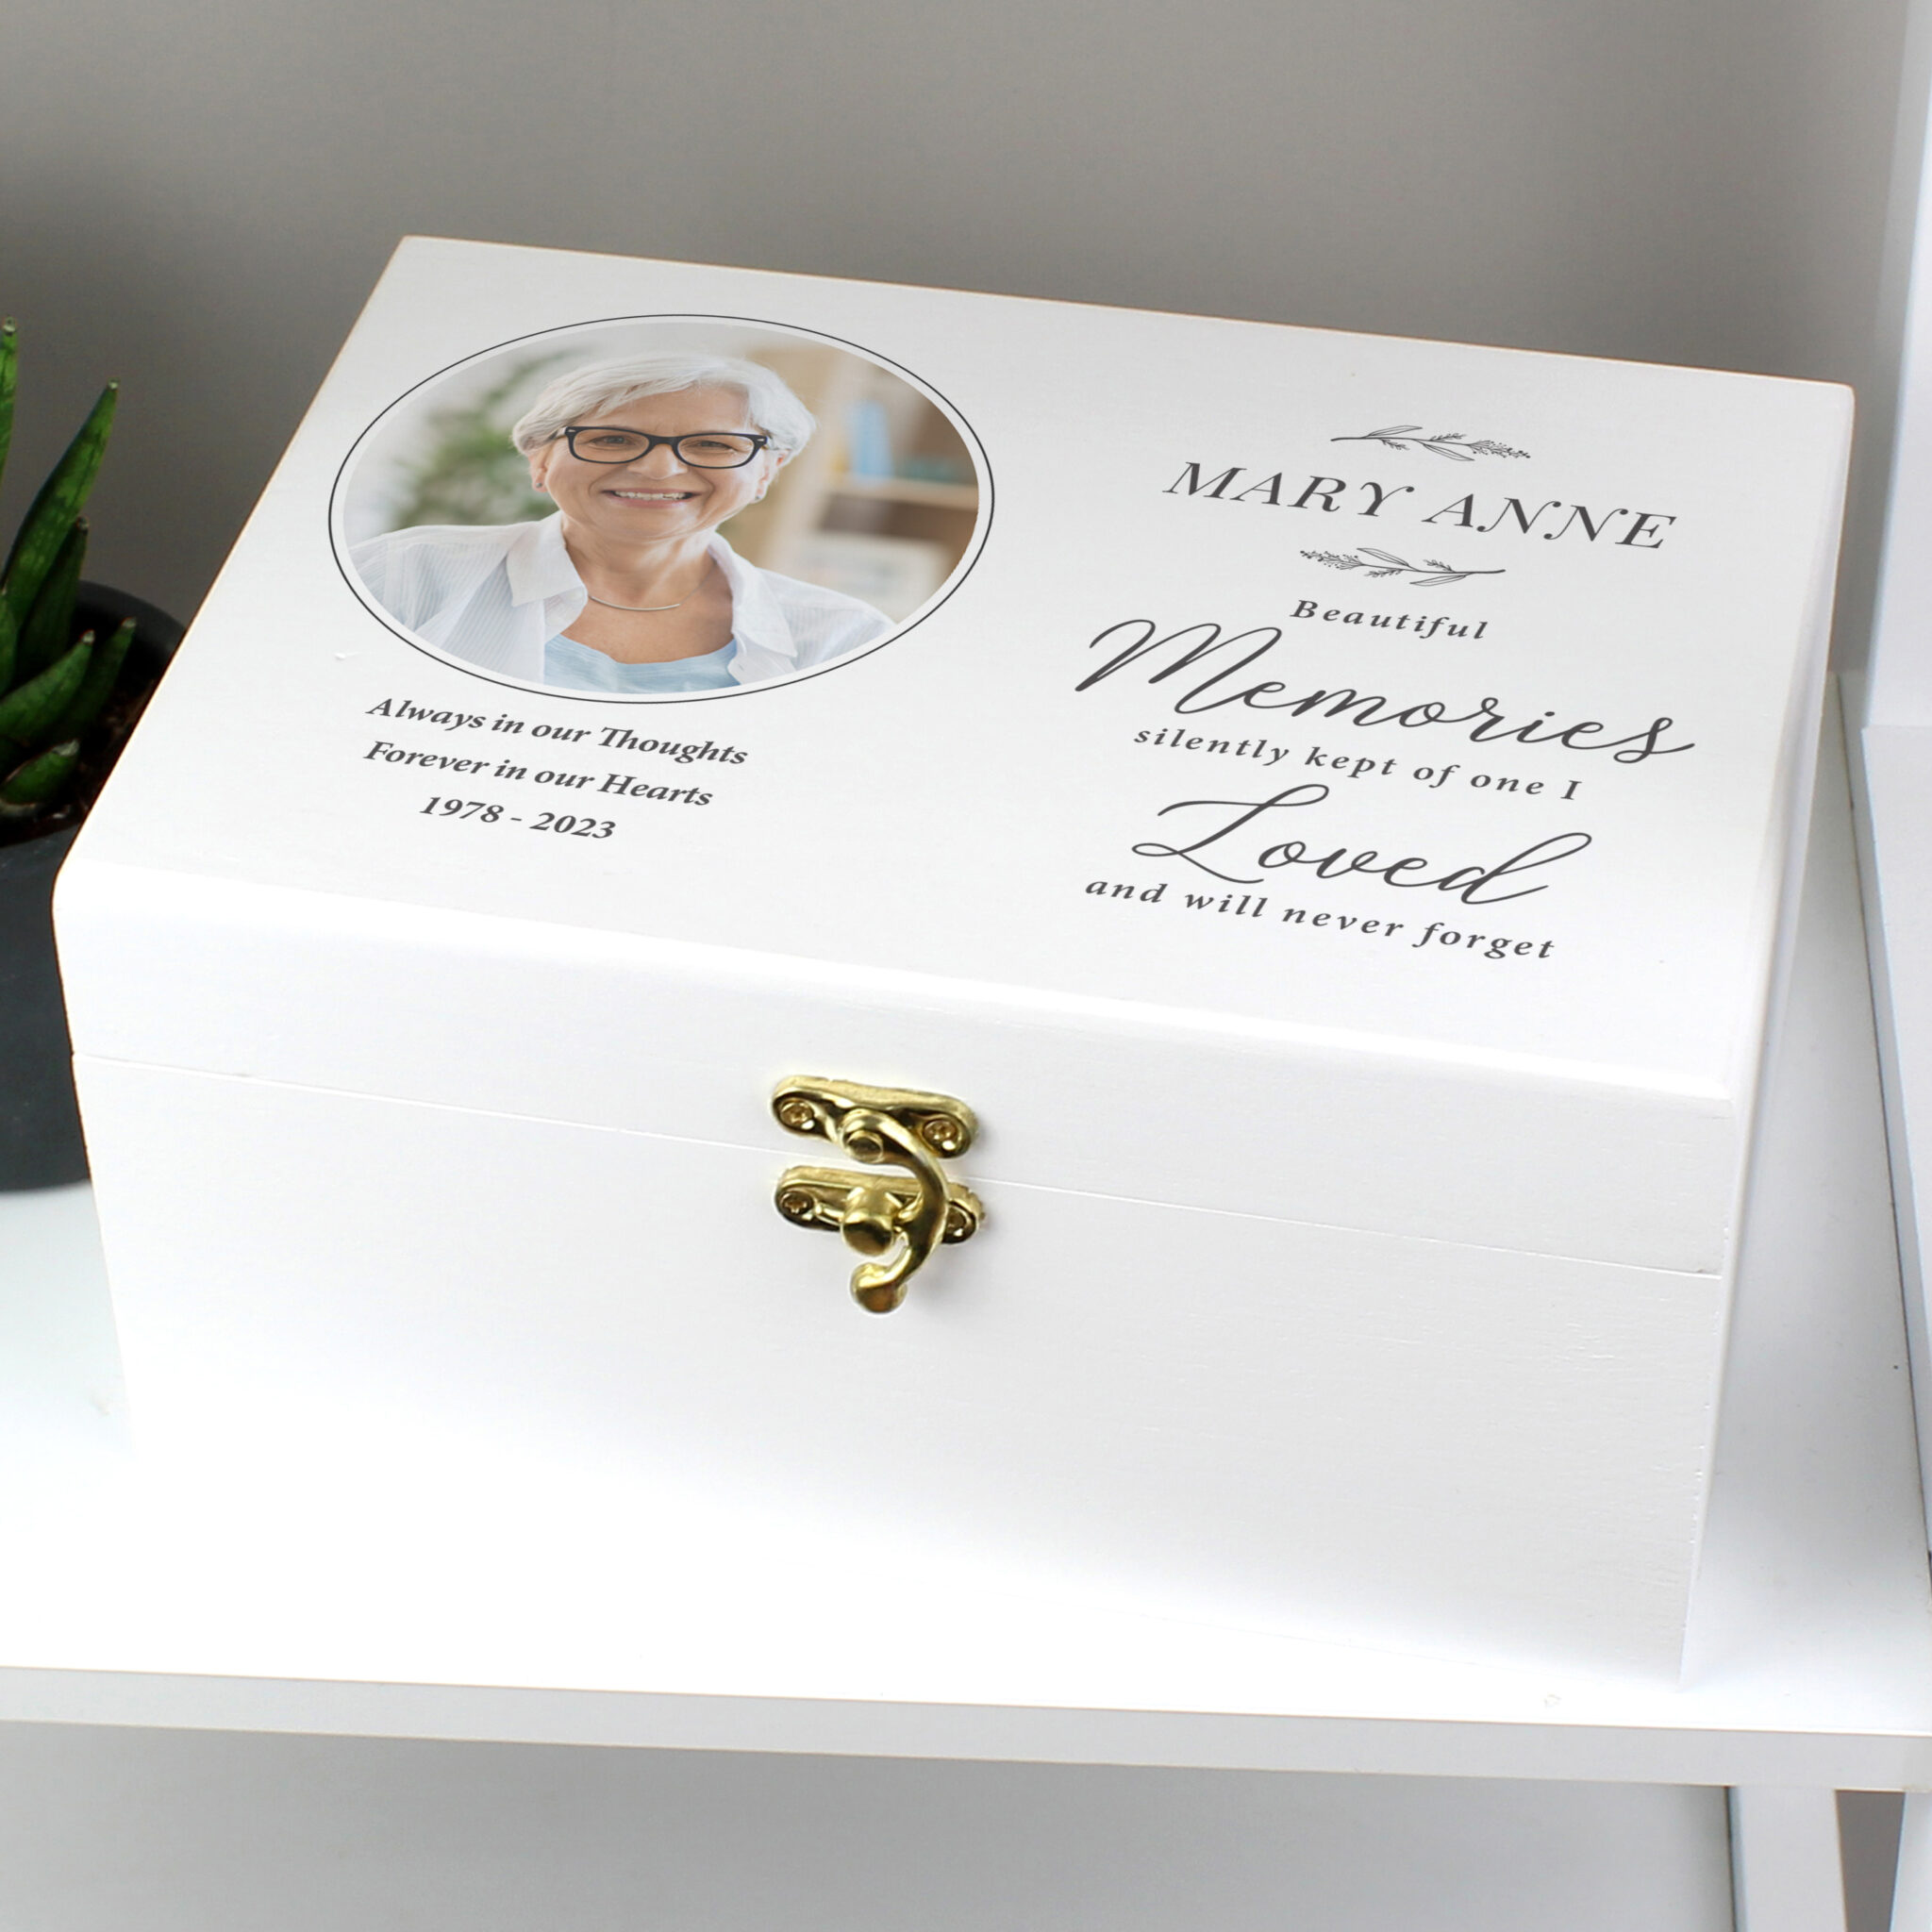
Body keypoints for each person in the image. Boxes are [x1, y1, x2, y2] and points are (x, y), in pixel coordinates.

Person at [350, 353, 892, 691]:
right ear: (540, 460)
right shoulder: (403, 572)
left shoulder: (846, 637)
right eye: (613, 438)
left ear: (766, 472)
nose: (659, 469)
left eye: (712, 445)